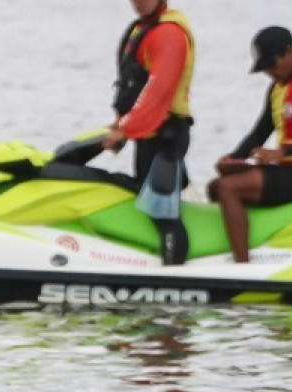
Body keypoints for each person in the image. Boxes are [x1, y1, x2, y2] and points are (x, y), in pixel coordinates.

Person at [206, 27, 292, 264]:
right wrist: (233, 157)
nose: (269, 72)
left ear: (290, 51)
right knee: (216, 187)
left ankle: (242, 264)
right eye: (265, 68)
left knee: (229, 188)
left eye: (272, 64)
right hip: (289, 170)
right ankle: (257, 243)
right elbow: (260, 132)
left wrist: (282, 152)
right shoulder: (277, 88)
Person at [100, 0, 197, 266]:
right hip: (147, 133)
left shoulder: (170, 33)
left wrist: (126, 129)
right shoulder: (139, 31)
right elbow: (132, 85)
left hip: (167, 135)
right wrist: (122, 123)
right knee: (153, 195)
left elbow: (159, 91)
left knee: (163, 212)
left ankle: (174, 277)